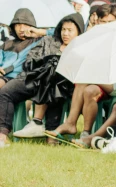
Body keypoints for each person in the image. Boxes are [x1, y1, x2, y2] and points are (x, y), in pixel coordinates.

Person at [4, 13, 84, 143]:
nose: (65, 33)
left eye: (70, 30)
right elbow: (31, 57)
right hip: (36, 78)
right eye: (63, 29)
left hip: (64, 86)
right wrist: (41, 67)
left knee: (53, 77)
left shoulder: (80, 48)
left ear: (79, 32)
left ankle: (39, 123)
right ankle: (3, 133)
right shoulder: (49, 41)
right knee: (6, 92)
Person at [0, 9, 42, 89]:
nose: (21, 29)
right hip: (3, 76)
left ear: (31, 26)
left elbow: (57, 34)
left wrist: (40, 32)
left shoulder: (38, 41)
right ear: (13, 27)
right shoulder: (6, 44)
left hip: (22, 79)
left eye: (25, 25)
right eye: (18, 25)